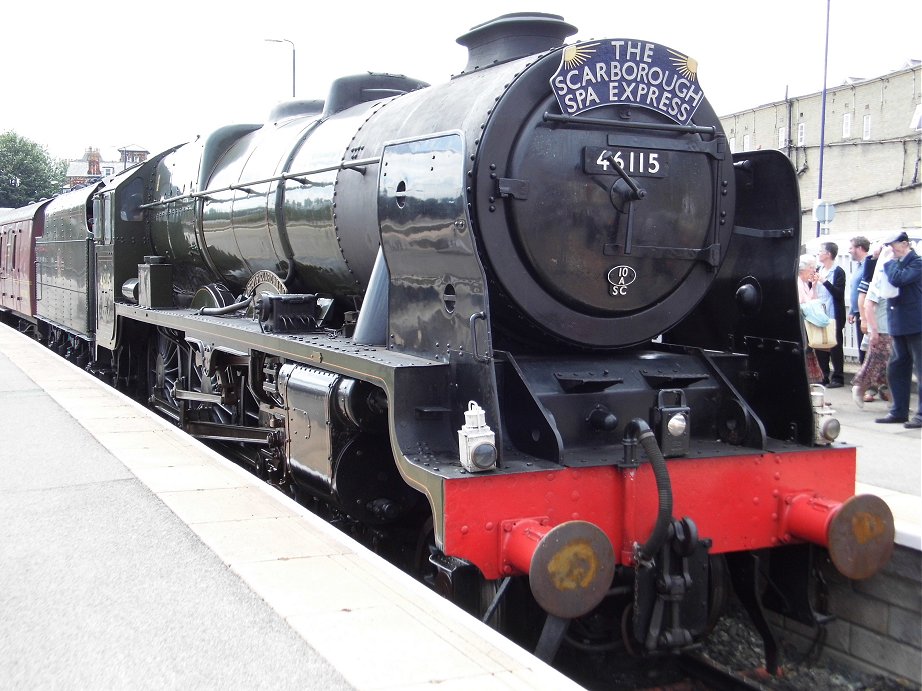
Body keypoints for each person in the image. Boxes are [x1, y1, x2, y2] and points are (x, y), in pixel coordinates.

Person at [875, 231, 922, 428]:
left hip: (916, 323)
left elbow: (898, 279)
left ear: (905, 244)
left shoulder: (917, 262)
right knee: (896, 368)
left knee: (920, 371)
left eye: (892, 245)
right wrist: (876, 259)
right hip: (899, 323)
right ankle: (899, 410)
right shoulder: (895, 261)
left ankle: (920, 415)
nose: (889, 249)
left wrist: (887, 262)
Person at [852, 248, 891, 408]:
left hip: (892, 328)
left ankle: (894, 399)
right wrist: (868, 324)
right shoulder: (876, 278)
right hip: (881, 329)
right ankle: (861, 387)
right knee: (875, 363)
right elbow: (865, 301)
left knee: (891, 365)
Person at [813, 242, 846, 387]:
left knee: (835, 345)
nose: (819, 254)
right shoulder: (819, 269)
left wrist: (824, 281)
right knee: (820, 345)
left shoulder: (838, 272)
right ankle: (824, 375)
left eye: (821, 251)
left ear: (828, 254)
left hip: (834, 313)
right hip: (820, 313)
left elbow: (838, 294)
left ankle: (838, 377)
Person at [847, 236, 870, 363]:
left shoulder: (868, 265)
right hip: (858, 311)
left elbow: (866, 291)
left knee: (866, 348)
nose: (849, 251)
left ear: (859, 248)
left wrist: (864, 317)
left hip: (866, 313)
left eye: (851, 247)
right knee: (861, 346)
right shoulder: (859, 266)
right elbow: (856, 290)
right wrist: (852, 310)